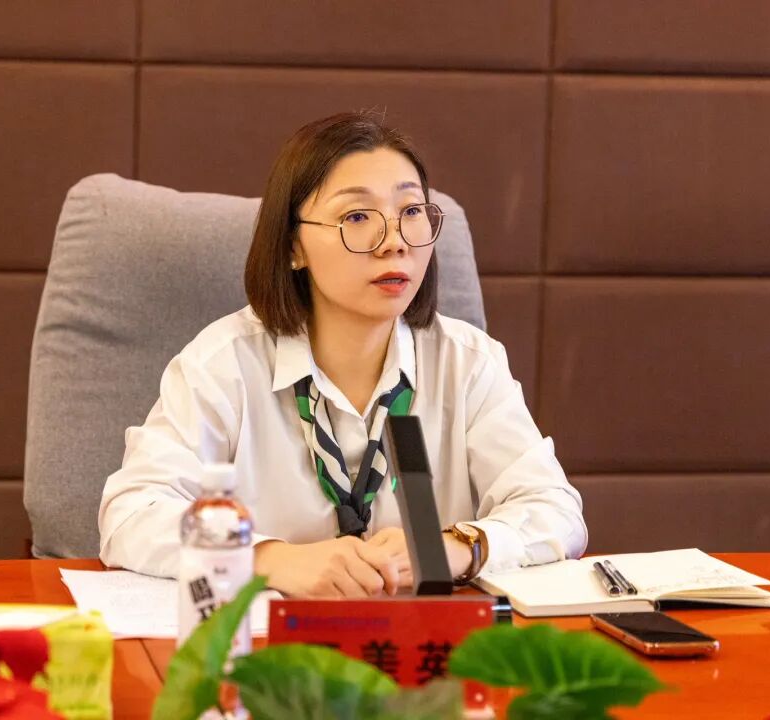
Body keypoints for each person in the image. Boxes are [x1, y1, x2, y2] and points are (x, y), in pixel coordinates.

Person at [98, 112, 587, 598]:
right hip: (275, 641)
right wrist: (269, 559)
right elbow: (131, 512)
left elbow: (555, 509)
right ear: (293, 246)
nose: (394, 242)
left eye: (411, 212)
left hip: (428, 641)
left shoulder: (468, 364)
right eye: (356, 217)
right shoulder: (224, 365)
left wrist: (457, 547)